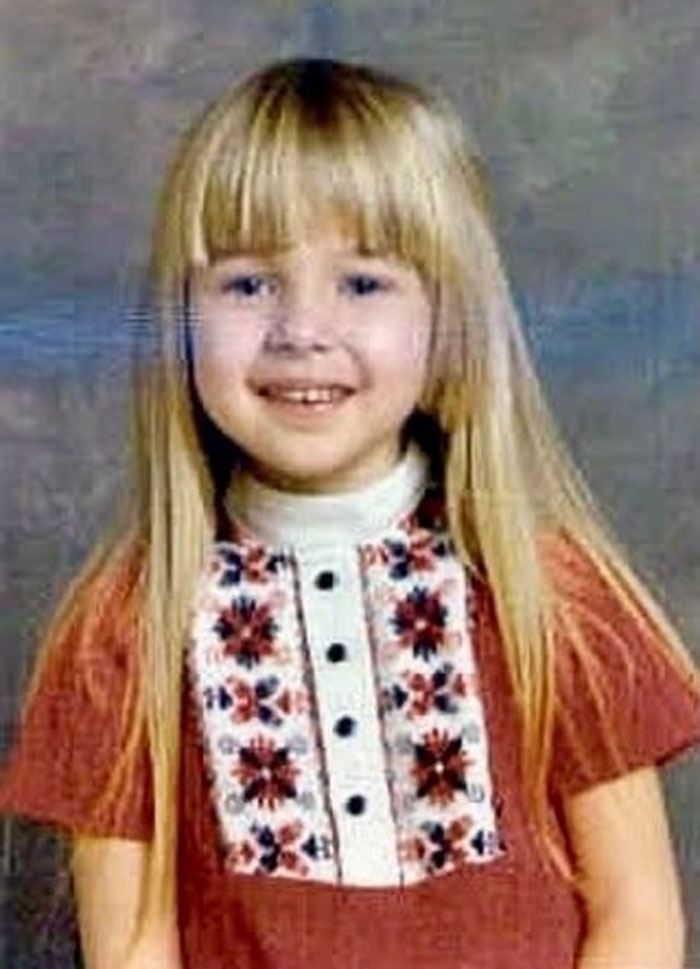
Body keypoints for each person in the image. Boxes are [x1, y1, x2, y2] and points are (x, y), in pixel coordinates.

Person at [1, 56, 698, 969]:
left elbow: (639, 925)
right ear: (179, 316)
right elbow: (134, 950)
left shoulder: (556, 599)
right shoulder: (119, 632)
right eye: (247, 283)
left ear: (447, 320)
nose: (301, 330)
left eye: (363, 283)